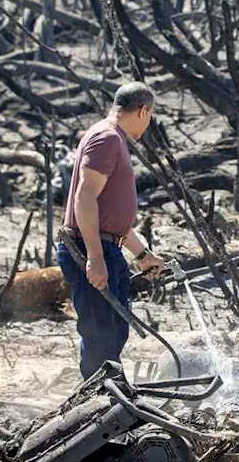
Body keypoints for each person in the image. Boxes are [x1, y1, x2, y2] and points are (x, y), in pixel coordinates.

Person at [58, 82, 165, 379]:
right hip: (89, 247)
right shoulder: (106, 138)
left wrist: (143, 255)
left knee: (115, 330)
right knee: (101, 334)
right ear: (143, 110)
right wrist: (94, 257)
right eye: (150, 115)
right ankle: (96, 404)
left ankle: (110, 397)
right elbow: (85, 196)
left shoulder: (113, 138)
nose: (149, 122)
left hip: (107, 246)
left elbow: (111, 219)